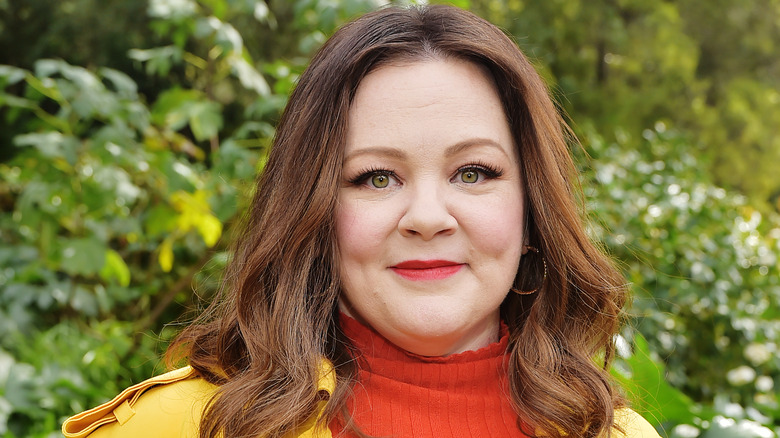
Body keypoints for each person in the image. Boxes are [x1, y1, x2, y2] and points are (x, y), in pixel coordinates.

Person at [63, 4, 661, 438]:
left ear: (533, 212)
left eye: (474, 172)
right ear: (315, 211)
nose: (427, 218)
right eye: (376, 177)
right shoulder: (174, 429)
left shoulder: (617, 435)